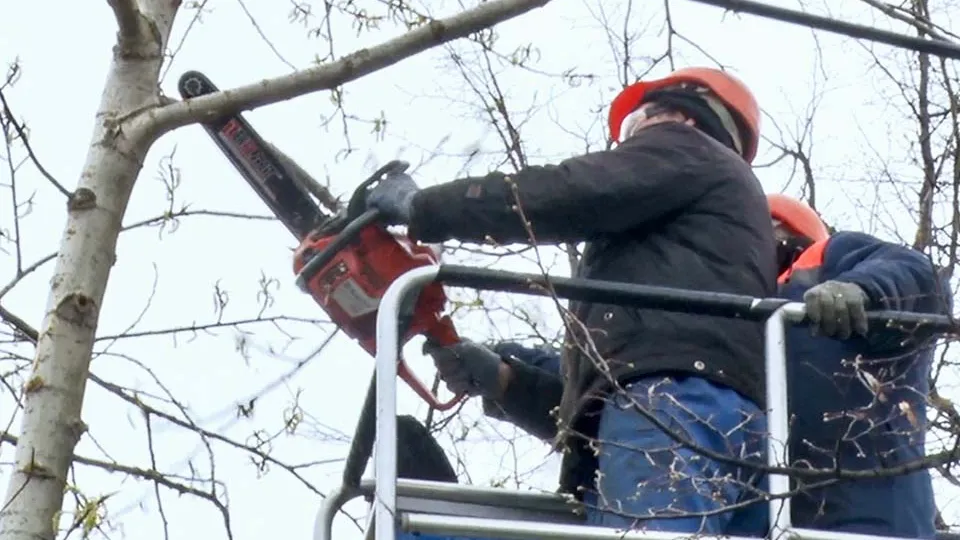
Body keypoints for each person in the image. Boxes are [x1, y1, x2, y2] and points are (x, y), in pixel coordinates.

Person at [365, 67, 776, 535]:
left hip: (672, 407)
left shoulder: (688, 149)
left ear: (684, 114)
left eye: (637, 122)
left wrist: (425, 208)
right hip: (716, 420)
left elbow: (566, 192)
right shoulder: (704, 245)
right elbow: (613, 383)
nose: (630, 141)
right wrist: (506, 381)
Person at [767, 193, 947, 538]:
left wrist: (863, 290)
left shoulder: (832, 258)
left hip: (868, 509)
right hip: (782, 516)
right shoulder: (745, 309)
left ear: (781, 230)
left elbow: (923, 279)